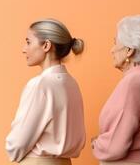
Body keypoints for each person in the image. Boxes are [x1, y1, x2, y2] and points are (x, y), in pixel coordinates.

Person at [5, 18, 86, 165]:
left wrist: (13, 150)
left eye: (29, 42)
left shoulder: (39, 85)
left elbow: (18, 142)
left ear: (46, 45)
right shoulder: (72, 84)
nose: (24, 49)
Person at [92, 15, 140, 165]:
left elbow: (115, 146)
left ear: (129, 50)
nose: (112, 50)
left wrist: (97, 143)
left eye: (115, 43)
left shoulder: (133, 82)